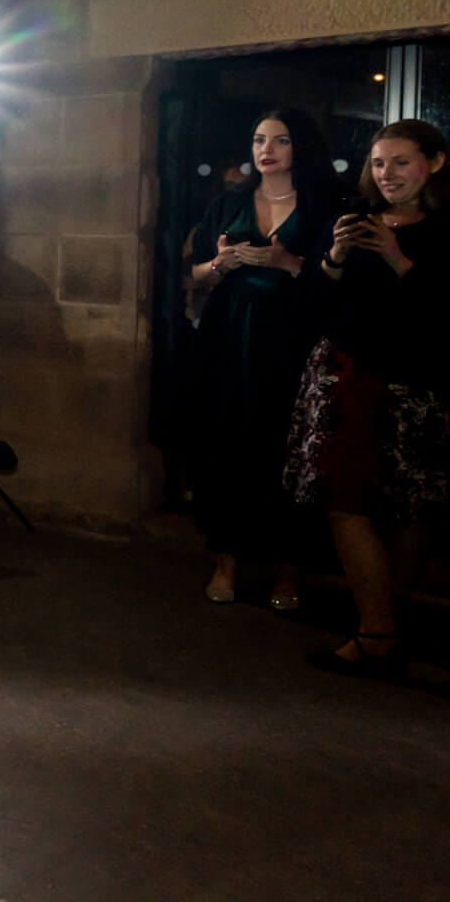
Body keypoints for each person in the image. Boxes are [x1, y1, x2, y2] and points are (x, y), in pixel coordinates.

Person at [287, 119, 450, 678]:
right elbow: (311, 300)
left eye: (401, 162)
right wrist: (332, 256)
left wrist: (399, 260)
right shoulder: (352, 220)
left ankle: (382, 628)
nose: (387, 175)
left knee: (413, 508)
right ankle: (378, 629)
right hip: (347, 377)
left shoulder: (442, 229)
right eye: (379, 164)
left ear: (434, 163)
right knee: (346, 499)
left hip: (417, 385)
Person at [185, 109, 337, 609]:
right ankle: (226, 561)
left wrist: (287, 262)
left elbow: (335, 284)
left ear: (301, 148)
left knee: (285, 450)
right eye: (257, 140)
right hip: (229, 335)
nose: (265, 150)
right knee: (226, 442)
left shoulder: (321, 207)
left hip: (290, 340)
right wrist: (220, 264)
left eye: (280, 140)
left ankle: (289, 570)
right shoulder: (228, 202)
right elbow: (195, 273)